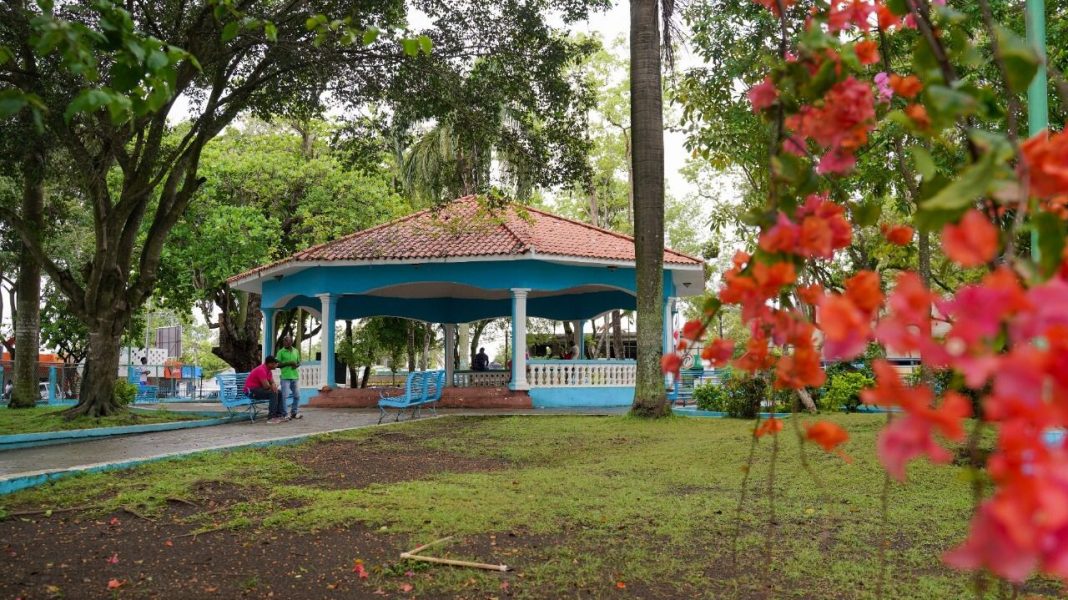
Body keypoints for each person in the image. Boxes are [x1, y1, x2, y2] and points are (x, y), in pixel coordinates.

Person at [244, 356, 286, 423]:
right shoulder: (261, 370)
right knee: (273, 393)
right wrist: (272, 387)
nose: (277, 365)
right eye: (275, 363)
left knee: (279, 392)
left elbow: (272, 382)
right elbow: (266, 386)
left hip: (258, 389)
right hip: (251, 392)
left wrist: (273, 385)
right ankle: (271, 418)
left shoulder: (268, 370)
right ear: (270, 364)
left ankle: (280, 415)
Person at [275, 336, 303, 420]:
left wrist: (296, 365)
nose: (284, 342)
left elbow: (299, 362)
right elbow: (278, 365)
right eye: (284, 341)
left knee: (297, 396)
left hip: (295, 376)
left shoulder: (296, 351)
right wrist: (288, 363)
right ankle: (285, 414)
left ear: (291, 342)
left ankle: (294, 412)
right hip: (285, 377)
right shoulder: (281, 352)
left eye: (286, 341)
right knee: (285, 396)